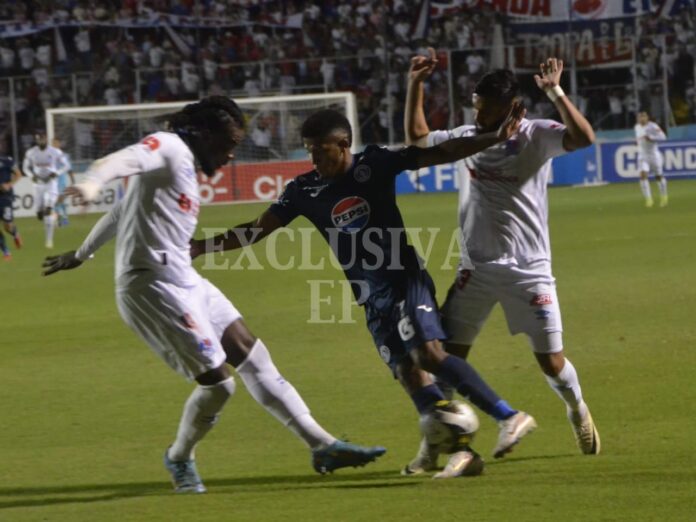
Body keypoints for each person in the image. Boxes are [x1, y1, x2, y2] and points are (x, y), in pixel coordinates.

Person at [41, 96, 386, 494]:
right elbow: (118, 161)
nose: (232, 153)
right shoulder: (170, 147)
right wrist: (91, 182)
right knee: (220, 385)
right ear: (205, 134)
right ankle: (179, 457)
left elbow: (122, 211)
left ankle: (322, 445)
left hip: (183, 277)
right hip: (151, 287)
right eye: (229, 143)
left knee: (253, 355)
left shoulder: (183, 167)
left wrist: (81, 254)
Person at [190, 106, 536, 479]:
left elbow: (440, 152)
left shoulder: (375, 164)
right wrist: (201, 247)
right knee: (408, 373)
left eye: (320, 151)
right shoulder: (303, 190)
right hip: (371, 299)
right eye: (309, 151)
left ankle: (509, 415)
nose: (313, 159)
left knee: (428, 354)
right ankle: (460, 451)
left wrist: (492, 137)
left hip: (404, 281)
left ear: (343, 144)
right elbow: (258, 228)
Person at [404, 52, 600, 469]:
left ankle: (577, 408)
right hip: (475, 271)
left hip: (529, 271)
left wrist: (556, 92)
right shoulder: (468, 137)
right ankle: (436, 441)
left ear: (513, 107)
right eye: (476, 107)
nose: (479, 116)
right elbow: (418, 138)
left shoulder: (536, 135)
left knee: (551, 362)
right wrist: (415, 84)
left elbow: (584, 138)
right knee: (446, 360)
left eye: (488, 110)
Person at [22, 132, 65, 248]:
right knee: (40, 214)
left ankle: (49, 241)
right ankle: (49, 216)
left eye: (43, 139)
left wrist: (56, 173)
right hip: (38, 185)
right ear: (36, 140)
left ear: (46, 139)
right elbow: (25, 168)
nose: (41, 141)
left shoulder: (55, 152)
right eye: (39, 139)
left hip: (51, 184)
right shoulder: (31, 152)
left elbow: (66, 165)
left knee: (48, 210)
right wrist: (31, 176)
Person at [634, 111, 668, 207]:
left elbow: (663, 137)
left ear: (647, 117)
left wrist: (651, 138)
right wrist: (637, 142)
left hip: (654, 155)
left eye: (643, 116)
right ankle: (648, 199)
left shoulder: (653, 126)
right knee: (643, 175)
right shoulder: (637, 127)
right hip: (642, 155)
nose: (641, 118)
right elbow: (639, 138)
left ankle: (664, 196)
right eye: (639, 117)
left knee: (658, 176)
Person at [0, 141, 23, 259]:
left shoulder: (7, 160)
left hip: (5, 197)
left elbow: (18, 174)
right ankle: (6, 251)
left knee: (7, 226)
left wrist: (9, 184)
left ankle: (15, 233)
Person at [52, 138, 76, 226]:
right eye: (53, 143)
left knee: (59, 200)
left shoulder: (65, 156)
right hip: (52, 183)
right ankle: (63, 220)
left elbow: (69, 169)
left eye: (55, 143)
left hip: (61, 181)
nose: (54, 145)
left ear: (59, 144)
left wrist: (73, 181)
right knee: (58, 202)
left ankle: (62, 219)